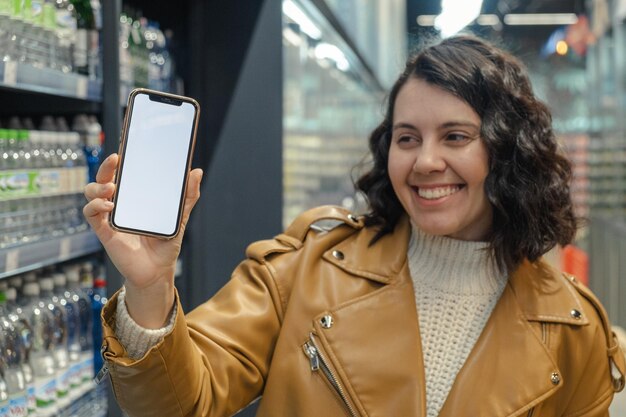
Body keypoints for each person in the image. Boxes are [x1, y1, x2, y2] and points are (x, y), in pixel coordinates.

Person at [83, 35, 625, 417]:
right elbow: (181, 403)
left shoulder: (571, 329)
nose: (425, 161)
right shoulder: (309, 264)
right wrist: (151, 287)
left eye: (455, 137)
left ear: (508, 152)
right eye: (407, 137)